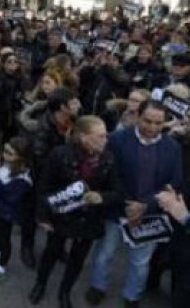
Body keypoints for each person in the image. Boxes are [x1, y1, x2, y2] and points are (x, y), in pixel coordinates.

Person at [86, 100, 184, 308]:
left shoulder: (173, 148)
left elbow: (174, 183)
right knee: (105, 253)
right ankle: (97, 286)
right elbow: (110, 175)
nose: (152, 128)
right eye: (147, 121)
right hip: (117, 210)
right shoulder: (117, 140)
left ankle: (132, 296)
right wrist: (129, 203)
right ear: (138, 116)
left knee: (140, 262)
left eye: (158, 123)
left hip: (150, 214)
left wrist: (145, 206)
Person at [29, 116, 121, 308]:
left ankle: (65, 292)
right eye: (101, 136)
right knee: (51, 252)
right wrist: (42, 217)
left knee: (77, 259)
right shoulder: (60, 155)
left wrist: (101, 197)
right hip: (61, 215)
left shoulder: (108, 159)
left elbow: (117, 191)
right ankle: (40, 284)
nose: (106, 140)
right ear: (84, 137)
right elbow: (43, 187)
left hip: (88, 219)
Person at [0, 136, 33, 285]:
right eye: (5, 151)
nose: (4, 155)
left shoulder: (23, 178)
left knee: (4, 239)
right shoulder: (4, 165)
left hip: (6, 214)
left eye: (10, 153)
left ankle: (1, 265)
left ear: (21, 157)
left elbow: (9, 195)